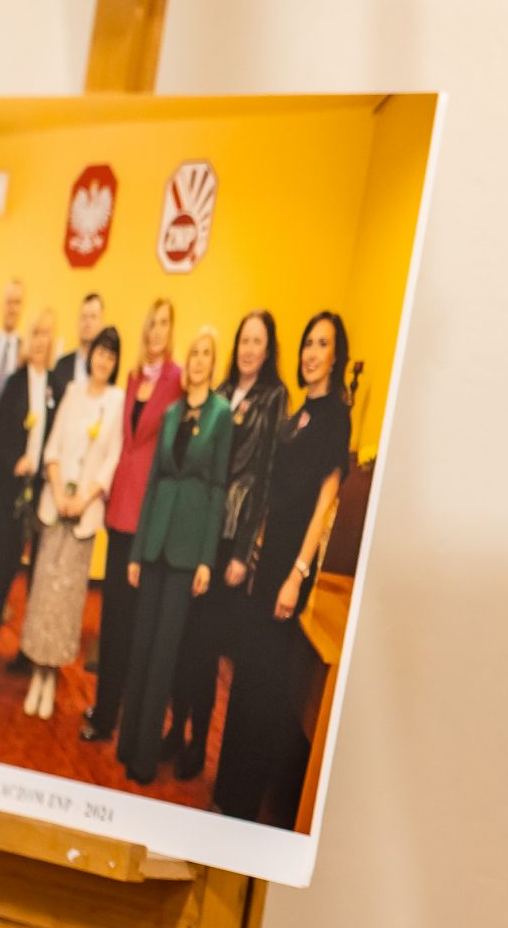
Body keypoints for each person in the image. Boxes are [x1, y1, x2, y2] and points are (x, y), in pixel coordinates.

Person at [215, 311, 355, 826]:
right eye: (308, 343)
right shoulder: (299, 413)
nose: (311, 353)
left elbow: (325, 500)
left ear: (336, 356)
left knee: (266, 686)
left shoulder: (335, 416)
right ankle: (226, 791)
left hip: (289, 567)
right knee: (246, 676)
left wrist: (297, 573)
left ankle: (243, 804)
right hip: (266, 558)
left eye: (322, 344)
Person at [169, 310, 282, 780]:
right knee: (183, 640)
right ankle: (175, 729)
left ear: (268, 349)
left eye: (258, 342)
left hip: (231, 537)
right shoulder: (218, 393)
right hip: (200, 533)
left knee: (206, 647)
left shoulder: (273, 398)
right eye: (244, 340)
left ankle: (198, 740)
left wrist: (242, 554)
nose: (249, 349)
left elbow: (266, 476)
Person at [116, 328, 231, 785]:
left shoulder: (221, 415)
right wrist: (136, 552)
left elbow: (218, 488)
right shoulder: (170, 413)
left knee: (164, 654)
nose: (198, 360)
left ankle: (144, 759)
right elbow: (153, 483)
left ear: (213, 363)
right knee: (140, 647)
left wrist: (206, 559)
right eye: (193, 353)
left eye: (206, 354)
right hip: (155, 544)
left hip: (187, 552)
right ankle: (127, 744)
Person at [84, 297, 182, 742]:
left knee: (135, 623)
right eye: (151, 323)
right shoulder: (132, 377)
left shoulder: (177, 380)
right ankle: (105, 708)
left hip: (148, 515)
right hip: (119, 509)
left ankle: (120, 715)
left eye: (164, 323)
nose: (156, 331)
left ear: (171, 330)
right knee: (112, 618)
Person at [17, 327, 125, 720]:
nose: (103, 360)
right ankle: (36, 674)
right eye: (100, 352)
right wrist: (61, 492)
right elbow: (53, 448)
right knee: (44, 596)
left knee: (66, 603)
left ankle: (52, 676)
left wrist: (84, 499)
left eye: (111, 356)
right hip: (55, 507)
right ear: (90, 355)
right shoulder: (73, 392)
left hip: (84, 517)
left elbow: (112, 460)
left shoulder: (117, 401)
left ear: (115, 363)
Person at [0, 310, 57, 709]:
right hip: (4, 497)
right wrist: (15, 461)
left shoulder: (53, 387)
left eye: (46, 334)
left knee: (12, 583)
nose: (39, 340)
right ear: (28, 340)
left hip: (32, 502)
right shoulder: (15, 382)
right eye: (35, 333)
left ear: (52, 342)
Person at [0, 278, 25, 382]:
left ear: (22, 307)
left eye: (17, 302)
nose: (12, 309)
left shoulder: (26, 351)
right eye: (9, 301)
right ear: (1, 304)